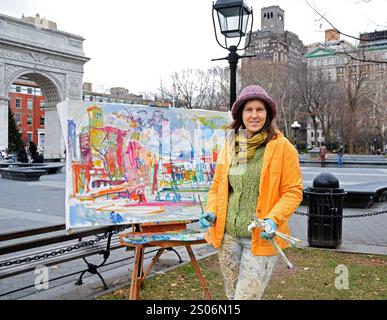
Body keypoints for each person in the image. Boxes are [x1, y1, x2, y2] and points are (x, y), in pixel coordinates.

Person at [199, 85, 303, 300]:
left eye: (259, 109)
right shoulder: (231, 146)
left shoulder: (283, 147)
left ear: (268, 114)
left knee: (245, 298)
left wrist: (273, 219)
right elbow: (218, 186)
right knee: (232, 295)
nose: (254, 115)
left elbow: (293, 191)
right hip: (228, 237)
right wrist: (211, 211)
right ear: (240, 114)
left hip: (261, 238)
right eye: (248, 109)